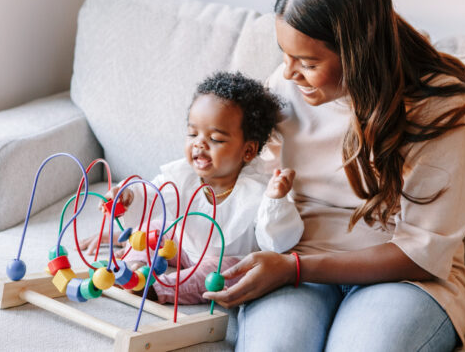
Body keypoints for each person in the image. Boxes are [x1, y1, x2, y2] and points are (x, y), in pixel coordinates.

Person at [203, 0, 465, 351]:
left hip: (405, 281)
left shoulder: (441, 109)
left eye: (309, 63)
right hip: (299, 259)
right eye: (285, 54)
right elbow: (237, 169)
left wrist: (296, 268)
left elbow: (421, 256)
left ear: (360, 54)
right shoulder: (286, 89)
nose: (289, 73)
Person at [81, 71, 303, 304]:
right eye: (192, 133)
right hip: (181, 245)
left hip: (222, 258)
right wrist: (126, 195)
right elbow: (151, 196)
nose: (199, 143)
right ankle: (134, 267)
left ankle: (158, 288)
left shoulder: (256, 191)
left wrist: (275, 200)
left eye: (215, 138)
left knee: (221, 272)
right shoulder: (183, 176)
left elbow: (277, 242)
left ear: (247, 151)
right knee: (153, 229)